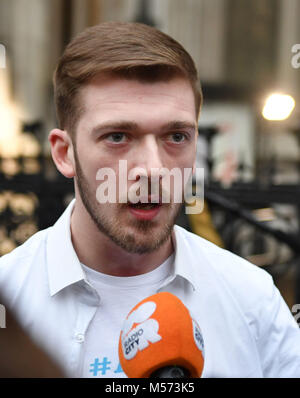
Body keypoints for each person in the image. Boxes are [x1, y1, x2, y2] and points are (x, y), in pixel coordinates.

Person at [0, 21, 299, 378]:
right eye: (117, 136)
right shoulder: (10, 298)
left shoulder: (252, 301)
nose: (154, 169)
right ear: (65, 153)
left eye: (176, 136)